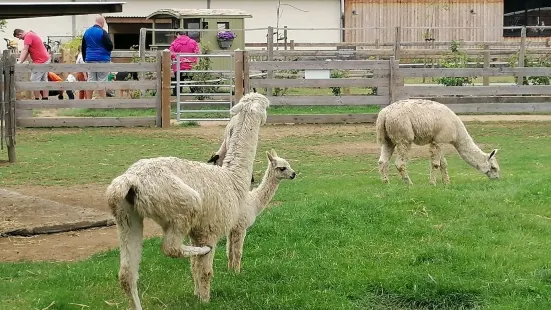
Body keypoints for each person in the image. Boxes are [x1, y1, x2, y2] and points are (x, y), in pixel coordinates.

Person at [81, 15, 113, 99]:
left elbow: (83, 47)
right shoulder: (102, 32)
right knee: (102, 81)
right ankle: (103, 102)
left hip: (89, 60)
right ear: (102, 23)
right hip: (102, 60)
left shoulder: (87, 32)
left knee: (91, 80)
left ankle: (89, 102)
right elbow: (110, 46)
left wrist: (85, 58)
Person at [13, 28, 50, 100]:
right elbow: (27, 52)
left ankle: (37, 100)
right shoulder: (32, 34)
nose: (20, 39)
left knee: (34, 80)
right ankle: (45, 99)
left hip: (40, 61)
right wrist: (21, 62)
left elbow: (25, 49)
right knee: (43, 80)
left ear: (19, 34)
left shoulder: (28, 36)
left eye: (19, 37)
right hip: (45, 59)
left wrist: (19, 61)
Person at [169, 31, 200, 96]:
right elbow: (197, 52)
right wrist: (192, 60)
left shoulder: (174, 43)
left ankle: (176, 97)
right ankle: (196, 96)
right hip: (190, 65)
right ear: (185, 34)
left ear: (178, 34)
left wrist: (180, 59)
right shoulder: (193, 42)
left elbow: (171, 53)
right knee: (192, 81)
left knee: (178, 82)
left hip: (179, 66)